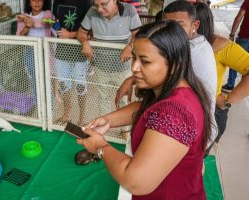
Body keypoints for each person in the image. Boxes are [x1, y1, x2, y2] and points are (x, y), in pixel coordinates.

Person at [79, 21, 212, 200]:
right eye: (134, 57)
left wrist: (100, 147)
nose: (134, 67)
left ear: (174, 64)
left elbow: (136, 181)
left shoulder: (175, 113)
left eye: (145, 61)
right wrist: (109, 120)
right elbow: (147, 108)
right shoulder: (175, 89)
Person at [115, 0, 218, 147]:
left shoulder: (189, 52)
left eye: (145, 61)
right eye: (167, 25)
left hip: (199, 133)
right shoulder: (194, 44)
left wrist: (101, 148)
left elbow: (135, 171)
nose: (172, 31)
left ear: (195, 26)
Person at [77, 0, 141, 125]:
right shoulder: (92, 11)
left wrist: (130, 46)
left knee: (124, 100)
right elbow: (81, 32)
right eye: (96, 5)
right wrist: (84, 42)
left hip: (123, 68)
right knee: (103, 99)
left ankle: (126, 131)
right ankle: (104, 126)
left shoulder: (129, 10)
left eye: (104, 4)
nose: (99, 9)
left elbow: (138, 35)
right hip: (101, 67)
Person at [195, 2, 249, 143]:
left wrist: (228, 101)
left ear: (196, 24)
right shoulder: (182, 44)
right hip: (188, 108)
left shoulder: (222, 46)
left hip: (211, 111)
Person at [52, 0, 92, 125]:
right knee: (64, 84)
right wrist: (55, 25)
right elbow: (57, 20)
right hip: (62, 48)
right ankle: (67, 113)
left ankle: (82, 117)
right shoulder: (57, 1)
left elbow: (91, 31)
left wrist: (70, 35)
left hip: (80, 49)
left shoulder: (87, 2)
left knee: (81, 85)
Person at [16, 0, 52, 96]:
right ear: (29, 2)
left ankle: (49, 104)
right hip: (30, 50)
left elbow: (44, 23)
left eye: (40, 0)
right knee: (34, 77)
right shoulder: (23, 17)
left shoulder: (48, 14)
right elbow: (18, 37)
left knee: (46, 77)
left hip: (45, 50)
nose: (37, 2)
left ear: (44, 2)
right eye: (33, 0)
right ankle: (38, 102)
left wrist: (27, 18)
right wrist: (27, 27)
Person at [222, 0, 249, 92]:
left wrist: (232, 34)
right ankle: (243, 88)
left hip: (244, 37)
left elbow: (239, 17)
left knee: (236, 60)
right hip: (244, 38)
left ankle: (230, 85)